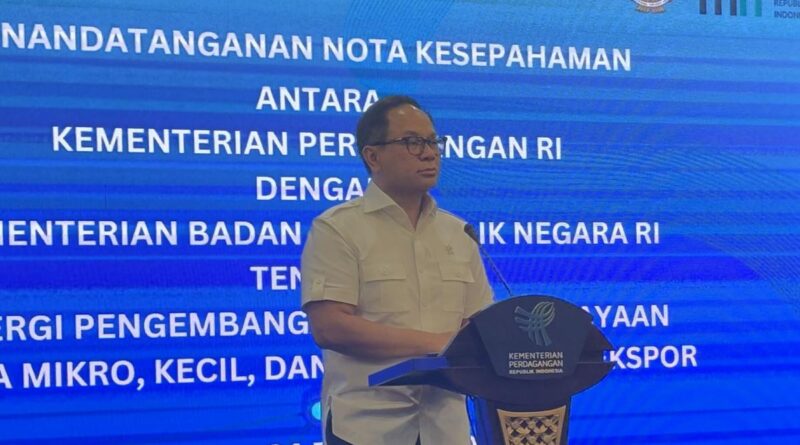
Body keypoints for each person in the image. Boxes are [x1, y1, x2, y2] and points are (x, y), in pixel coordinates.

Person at [301, 95, 494, 444]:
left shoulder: (459, 233)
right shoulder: (338, 229)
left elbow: (479, 324)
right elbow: (331, 327)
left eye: (433, 142)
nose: (429, 153)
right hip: (367, 428)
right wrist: (439, 344)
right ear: (373, 156)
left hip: (446, 429)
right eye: (412, 142)